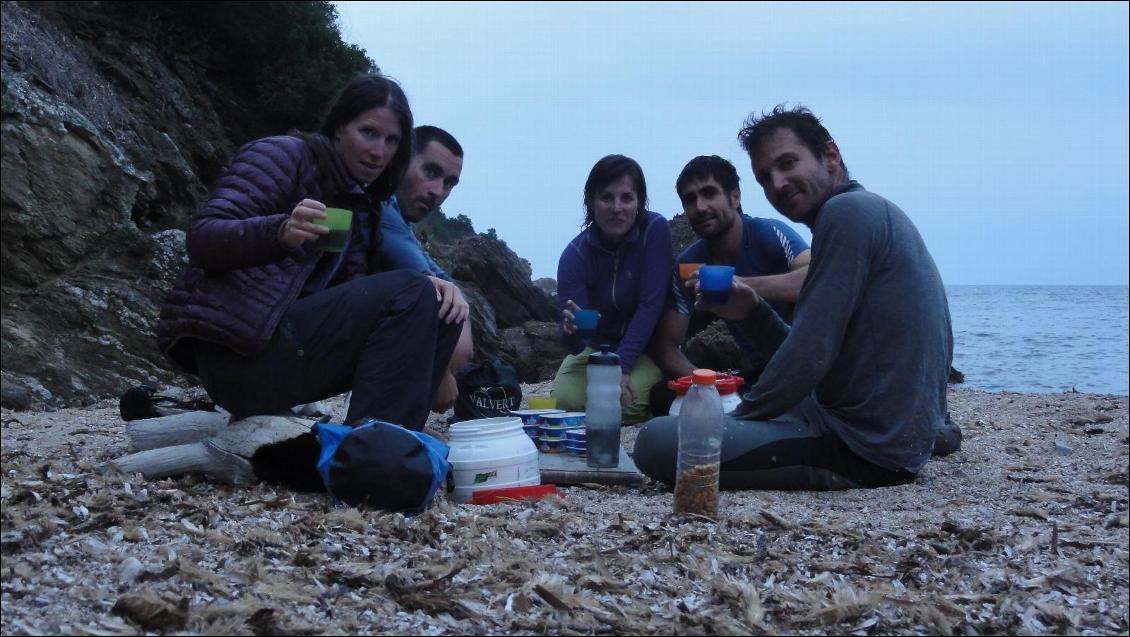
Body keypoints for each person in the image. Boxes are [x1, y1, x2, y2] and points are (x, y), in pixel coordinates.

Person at [634, 105, 954, 490]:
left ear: (831, 155)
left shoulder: (846, 214)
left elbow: (809, 353)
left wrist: (734, 420)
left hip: (864, 450)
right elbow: (820, 360)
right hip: (880, 426)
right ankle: (933, 433)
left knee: (655, 441)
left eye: (788, 163)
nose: (778, 184)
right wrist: (751, 312)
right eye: (765, 177)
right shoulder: (868, 212)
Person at [157, 74, 466, 447]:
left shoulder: (361, 205)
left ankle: (391, 434)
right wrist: (279, 232)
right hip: (238, 360)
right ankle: (373, 450)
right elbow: (203, 238)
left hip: (291, 356)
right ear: (338, 127)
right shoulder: (282, 156)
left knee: (439, 299)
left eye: (391, 141)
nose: (378, 152)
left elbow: (351, 303)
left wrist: (433, 293)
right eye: (368, 132)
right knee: (413, 288)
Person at [647, 155, 811, 415]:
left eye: (709, 193)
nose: (700, 207)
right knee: (661, 397)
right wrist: (711, 385)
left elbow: (820, 276)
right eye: (690, 199)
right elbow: (666, 346)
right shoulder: (689, 263)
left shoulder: (770, 235)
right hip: (754, 375)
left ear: (734, 197)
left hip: (804, 364)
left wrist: (743, 286)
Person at [553, 155, 673, 423]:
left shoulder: (654, 231)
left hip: (644, 349)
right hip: (596, 350)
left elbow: (650, 304)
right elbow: (575, 340)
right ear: (591, 202)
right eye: (607, 198)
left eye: (626, 198)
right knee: (562, 402)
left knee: (623, 403)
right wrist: (570, 331)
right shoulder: (575, 255)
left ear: (639, 202)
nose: (617, 208)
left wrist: (623, 366)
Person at [379, 125, 472, 412]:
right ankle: (384, 425)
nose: (438, 192)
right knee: (427, 298)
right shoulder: (379, 209)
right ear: (401, 159)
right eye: (430, 173)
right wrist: (441, 372)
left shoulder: (402, 223)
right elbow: (432, 286)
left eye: (449, 183)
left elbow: (447, 284)